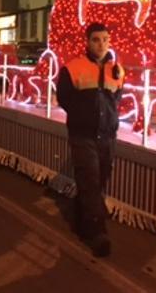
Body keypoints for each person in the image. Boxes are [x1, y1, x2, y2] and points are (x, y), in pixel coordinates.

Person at [56, 23, 124, 258]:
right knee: (90, 179)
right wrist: (82, 116)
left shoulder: (116, 70)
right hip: (83, 135)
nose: (101, 44)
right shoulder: (73, 68)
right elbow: (64, 98)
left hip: (107, 136)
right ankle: (98, 233)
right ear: (87, 42)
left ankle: (80, 216)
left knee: (99, 180)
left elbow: (117, 98)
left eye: (105, 39)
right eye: (96, 39)